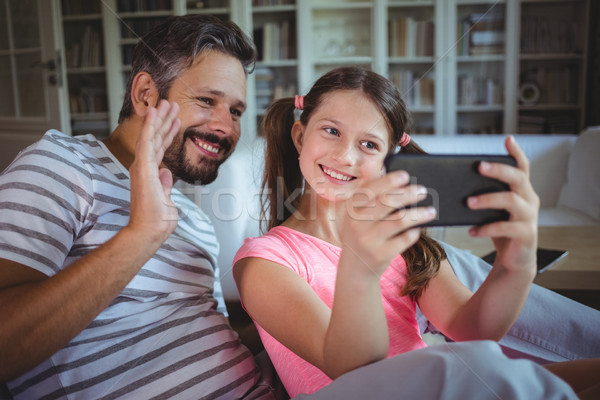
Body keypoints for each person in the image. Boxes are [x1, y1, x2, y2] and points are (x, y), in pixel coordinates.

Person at [0, 14, 592, 400]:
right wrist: (141, 234)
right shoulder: (61, 168)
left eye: (235, 110)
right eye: (206, 100)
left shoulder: (197, 225)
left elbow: (219, 332)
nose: (225, 126)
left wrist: (514, 262)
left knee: (455, 275)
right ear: (145, 94)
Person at [233, 66, 600, 398]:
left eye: (369, 145)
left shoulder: (403, 244)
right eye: (331, 131)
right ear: (299, 136)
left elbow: (472, 329)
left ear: (388, 162)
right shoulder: (264, 262)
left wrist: (514, 266)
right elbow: (353, 373)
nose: (346, 156)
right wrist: (360, 267)